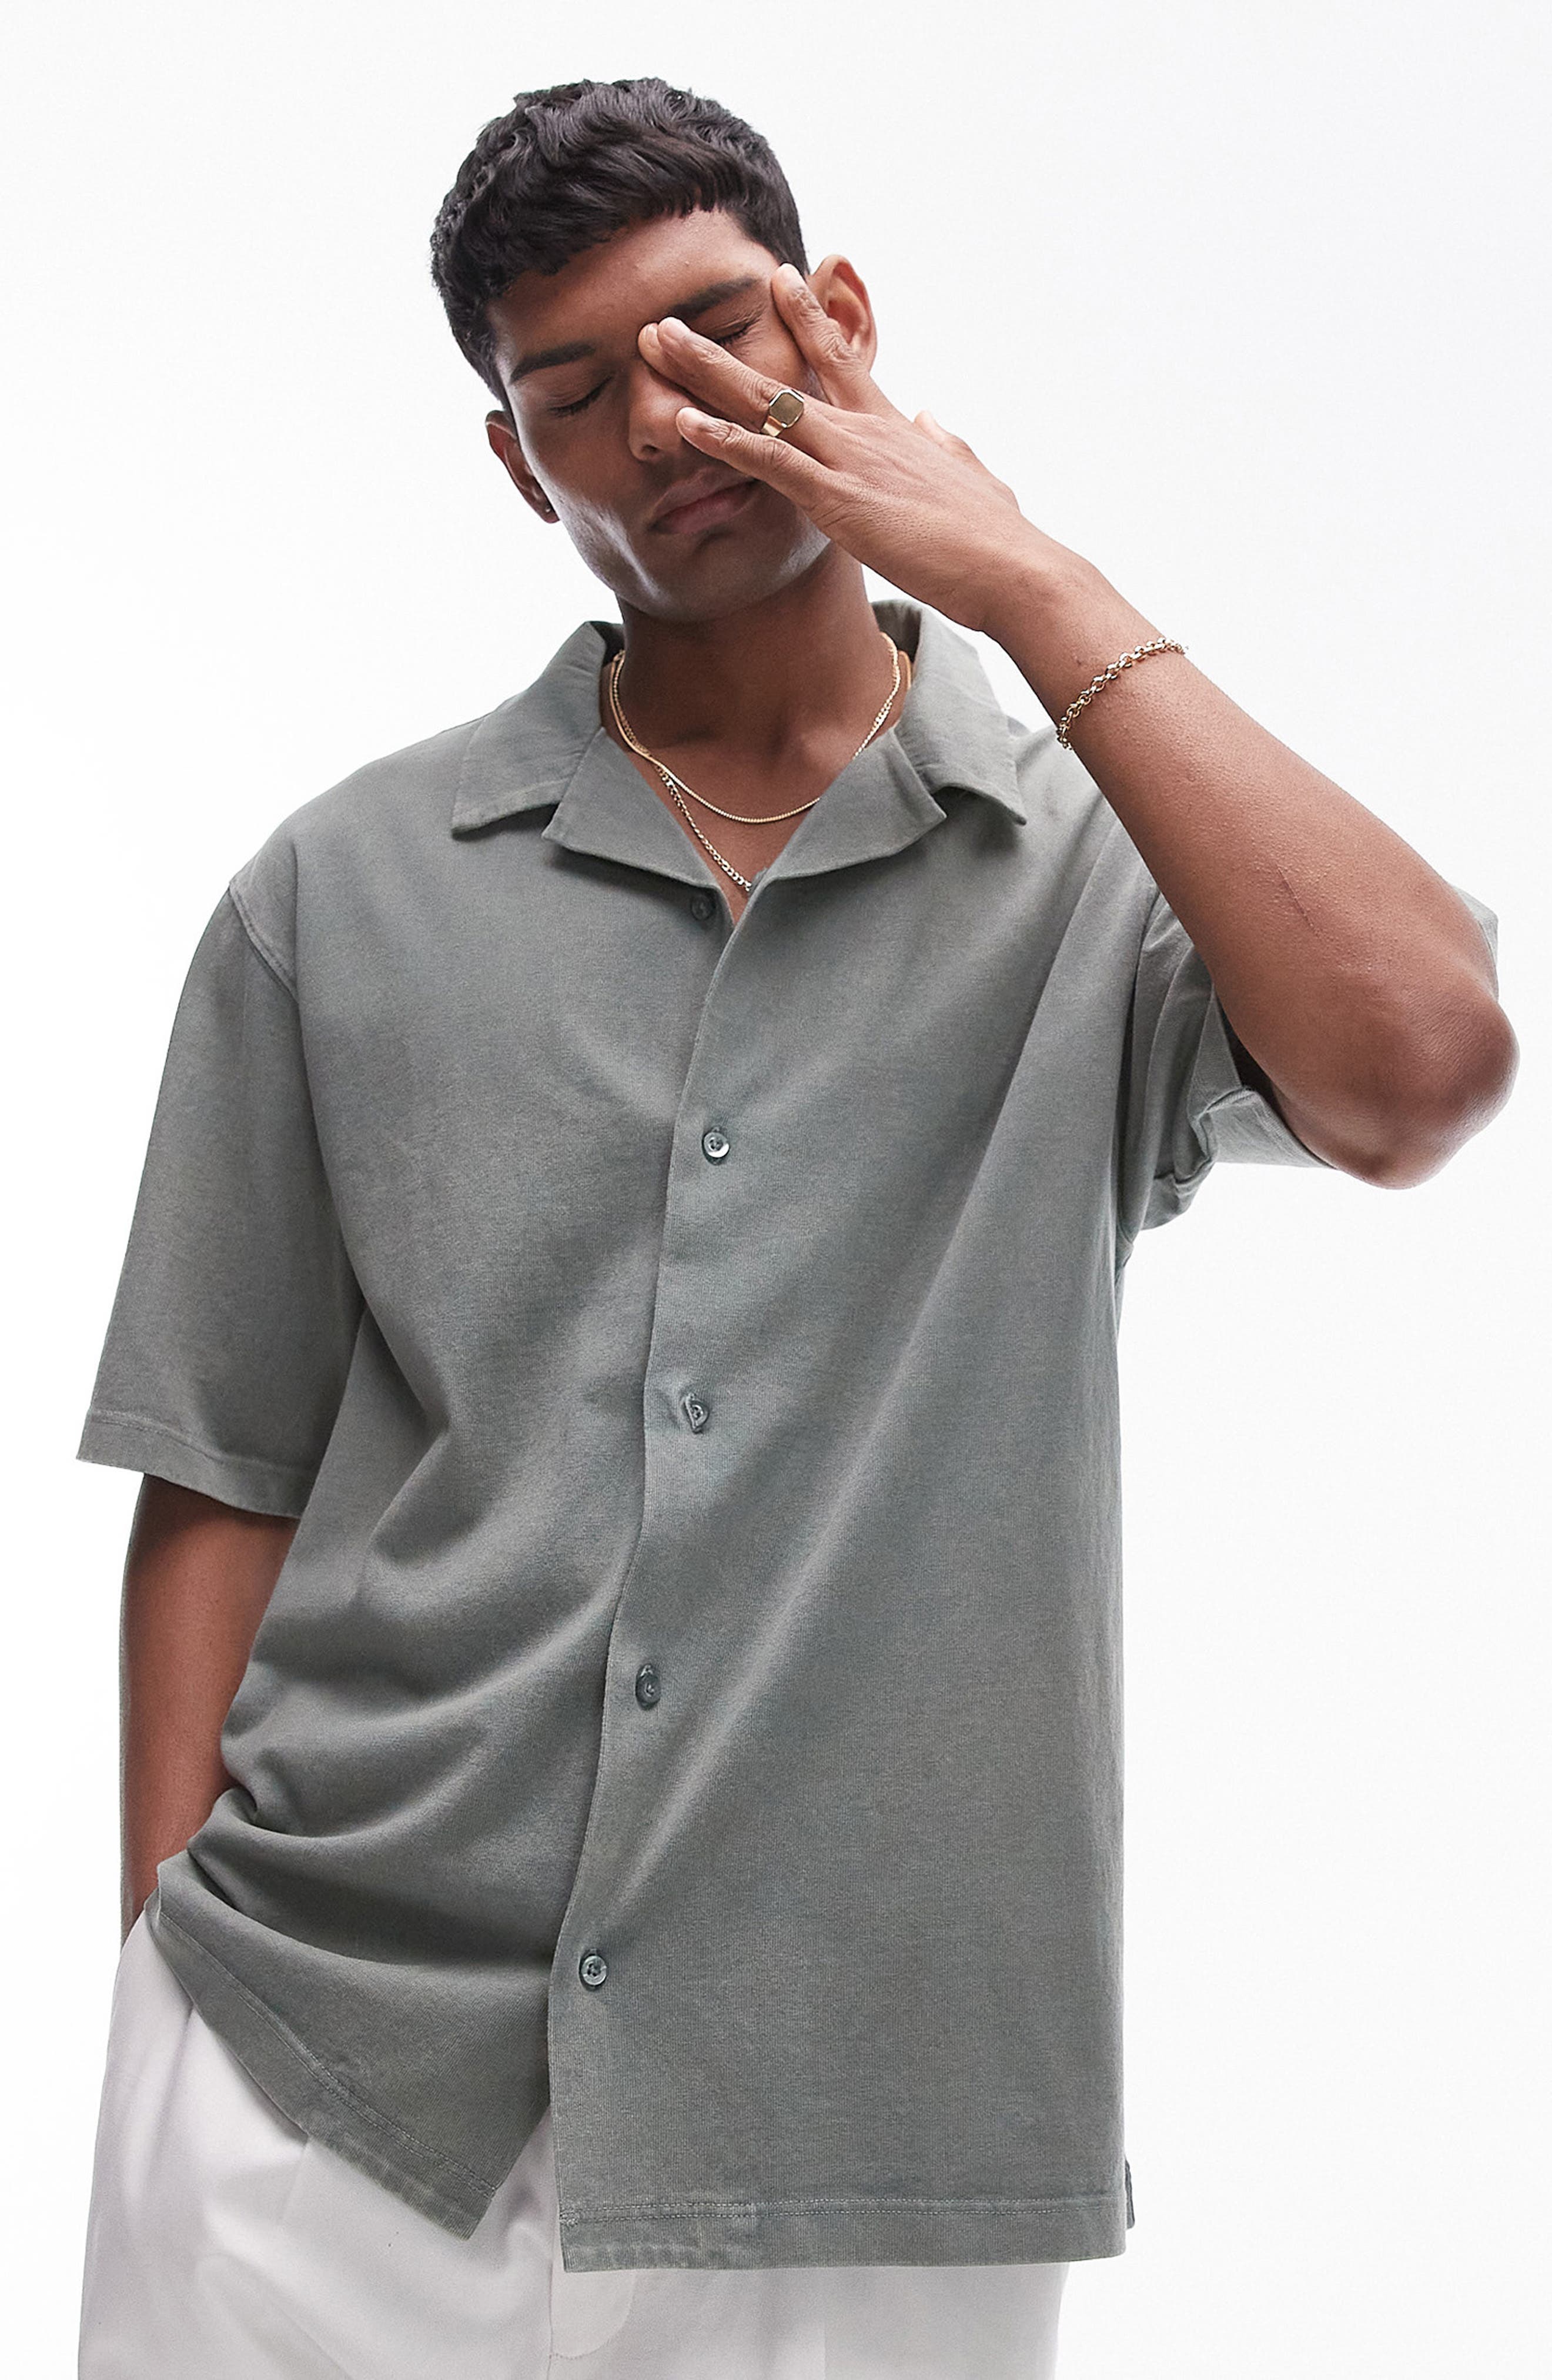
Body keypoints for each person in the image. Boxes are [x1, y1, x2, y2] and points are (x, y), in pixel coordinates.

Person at [73, 73, 1515, 2380]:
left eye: (716, 332)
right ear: (517, 466)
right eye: (576, 392)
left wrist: (1021, 572)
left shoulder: (1099, 875)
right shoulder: (334, 897)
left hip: (869, 2119)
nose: (664, 421)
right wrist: (161, 1962)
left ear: (839, 317)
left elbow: (1423, 1065)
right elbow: (221, 1467)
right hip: (319, 2091)